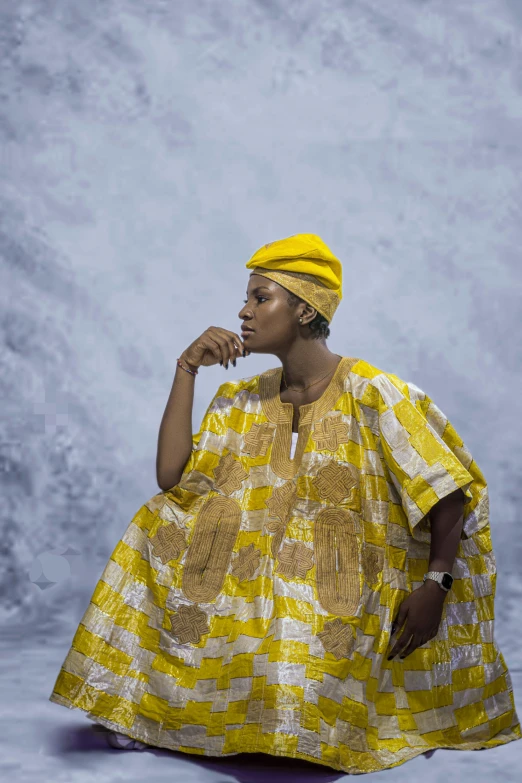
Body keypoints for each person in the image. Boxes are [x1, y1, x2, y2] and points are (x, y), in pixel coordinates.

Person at [49, 233, 521, 774]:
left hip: (348, 593)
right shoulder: (239, 400)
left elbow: (447, 492)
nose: (243, 312)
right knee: (155, 521)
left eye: (259, 298)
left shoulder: (374, 392)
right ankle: (152, 703)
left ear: (304, 309)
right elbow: (171, 478)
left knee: (307, 566)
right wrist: (186, 367)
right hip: (249, 586)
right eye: (246, 299)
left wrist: (435, 585)